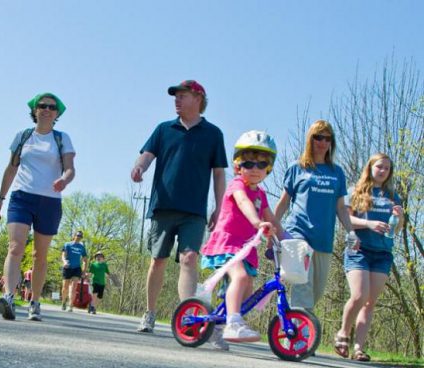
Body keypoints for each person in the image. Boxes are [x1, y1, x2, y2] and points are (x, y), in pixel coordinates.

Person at [130, 80, 227, 345]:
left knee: (189, 259)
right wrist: (139, 167)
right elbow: (147, 155)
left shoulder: (213, 134)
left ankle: (188, 315)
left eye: (182, 96)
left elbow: (219, 174)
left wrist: (220, 206)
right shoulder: (164, 129)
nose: (176, 100)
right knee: (157, 260)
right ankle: (149, 313)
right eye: (175, 96)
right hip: (163, 206)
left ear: (198, 98)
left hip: (194, 211)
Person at [0, 92, 76, 321]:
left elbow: (70, 169)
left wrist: (64, 180)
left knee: (40, 255)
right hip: (21, 196)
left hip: (49, 200)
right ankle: (8, 296)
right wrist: (0, 199)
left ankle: (35, 302)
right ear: (34, 110)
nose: (46, 109)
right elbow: (11, 169)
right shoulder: (23, 136)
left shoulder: (62, 139)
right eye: (42, 106)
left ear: (57, 113)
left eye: (51, 107)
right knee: (15, 247)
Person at [200, 131, 282, 343]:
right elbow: (244, 202)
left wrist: (291, 239)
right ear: (238, 166)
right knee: (241, 277)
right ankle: (233, 324)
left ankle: (221, 323)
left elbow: (273, 219)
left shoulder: (261, 194)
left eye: (261, 164)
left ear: (269, 168)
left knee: (247, 289)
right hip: (227, 243)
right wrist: (258, 223)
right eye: (248, 164)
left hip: (245, 248)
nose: (255, 169)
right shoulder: (237, 185)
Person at [274, 119, 359, 314]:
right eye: (318, 137)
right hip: (299, 234)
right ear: (310, 140)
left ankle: (296, 327)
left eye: (327, 138)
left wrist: (352, 232)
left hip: (324, 240)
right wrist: (272, 227)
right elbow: (284, 202)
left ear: (331, 143)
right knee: (303, 286)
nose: (322, 142)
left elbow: (340, 208)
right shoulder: (298, 168)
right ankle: (297, 337)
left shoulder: (337, 172)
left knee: (316, 292)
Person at [334, 153, 403, 362]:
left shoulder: (393, 196)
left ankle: (358, 348)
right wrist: (369, 224)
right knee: (359, 296)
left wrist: (399, 219)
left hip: (382, 253)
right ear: (370, 167)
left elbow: (397, 230)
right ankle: (343, 333)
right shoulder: (355, 191)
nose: (382, 171)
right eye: (379, 167)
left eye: (387, 168)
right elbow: (345, 219)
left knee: (370, 302)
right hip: (359, 250)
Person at [60, 230, 88, 312]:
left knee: (74, 287)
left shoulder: (82, 247)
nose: (79, 237)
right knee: (65, 287)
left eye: (80, 236)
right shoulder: (67, 244)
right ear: (74, 235)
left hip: (77, 268)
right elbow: (63, 255)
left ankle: (70, 305)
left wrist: (84, 271)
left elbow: (85, 260)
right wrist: (64, 262)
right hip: (67, 267)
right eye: (78, 235)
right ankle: (63, 302)